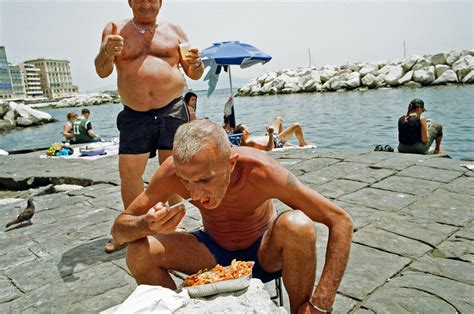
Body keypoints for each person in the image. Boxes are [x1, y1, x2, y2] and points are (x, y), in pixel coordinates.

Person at [111, 119, 352, 314]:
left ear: (231, 164)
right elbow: (119, 230)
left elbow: (340, 220)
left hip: (264, 253)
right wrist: (146, 224)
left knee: (298, 225)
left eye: (205, 180)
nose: (195, 193)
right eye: (186, 181)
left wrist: (321, 301)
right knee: (139, 251)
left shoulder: (260, 170)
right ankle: (179, 310)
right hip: (213, 253)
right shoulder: (171, 172)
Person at [94, 0, 204, 252]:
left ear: (161, 2)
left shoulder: (174, 30)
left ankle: (174, 227)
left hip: (173, 109)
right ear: (130, 2)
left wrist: (197, 64)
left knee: (176, 168)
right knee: (130, 172)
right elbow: (102, 71)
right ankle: (133, 229)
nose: (147, 4)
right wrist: (106, 53)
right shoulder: (115, 28)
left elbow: (194, 72)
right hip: (135, 114)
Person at [233, 116, 310, 151]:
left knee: (278, 119)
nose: (248, 128)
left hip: (272, 136)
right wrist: (270, 134)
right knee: (297, 126)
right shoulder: (249, 143)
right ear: (244, 132)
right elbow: (269, 148)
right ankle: (302, 144)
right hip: (276, 140)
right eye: (246, 127)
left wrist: (270, 133)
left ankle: (284, 141)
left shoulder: (243, 141)